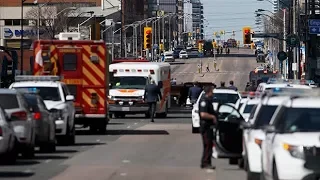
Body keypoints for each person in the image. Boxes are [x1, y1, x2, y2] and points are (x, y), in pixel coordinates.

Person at [198, 86, 217, 169]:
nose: (213, 93)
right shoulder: (204, 101)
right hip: (205, 126)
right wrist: (213, 117)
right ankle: (205, 162)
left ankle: (206, 162)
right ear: (209, 92)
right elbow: (203, 114)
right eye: (212, 91)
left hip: (209, 126)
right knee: (207, 144)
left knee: (209, 145)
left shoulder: (208, 101)